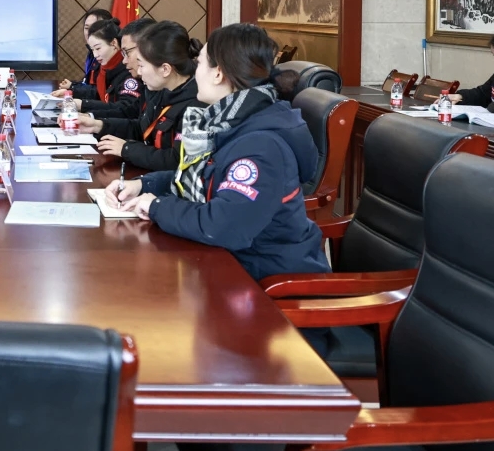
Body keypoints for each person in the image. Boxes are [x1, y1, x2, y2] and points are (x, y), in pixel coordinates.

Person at [104, 23, 329, 282]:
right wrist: (143, 185)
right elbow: (206, 178)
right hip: (229, 264)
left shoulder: (261, 145)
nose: (194, 71)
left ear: (218, 73)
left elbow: (225, 227)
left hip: (267, 282)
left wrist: (157, 207)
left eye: (199, 63)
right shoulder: (230, 122)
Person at [81, 21, 203, 172]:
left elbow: (178, 162)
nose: (139, 71)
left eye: (142, 65)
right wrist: (99, 125)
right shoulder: (162, 91)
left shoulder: (196, 105)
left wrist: (127, 149)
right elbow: (142, 128)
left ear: (165, 69)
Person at [70, 18, 143, 119]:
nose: (95, 55)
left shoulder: (130, 69)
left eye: (98, 48)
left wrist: (85, 107)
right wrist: (72, 91)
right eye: (92, 50)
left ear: (114, 43)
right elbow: (101, 93)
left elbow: (126, 109)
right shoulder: (105, 68)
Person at [58, 8, 114, 95]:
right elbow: (88, 83)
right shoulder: (91, 52)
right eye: (86, 28)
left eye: (94, 28)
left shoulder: (109, 54)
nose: (89, 32)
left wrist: (72, 89)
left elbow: (101, 91)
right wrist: (73, 85)